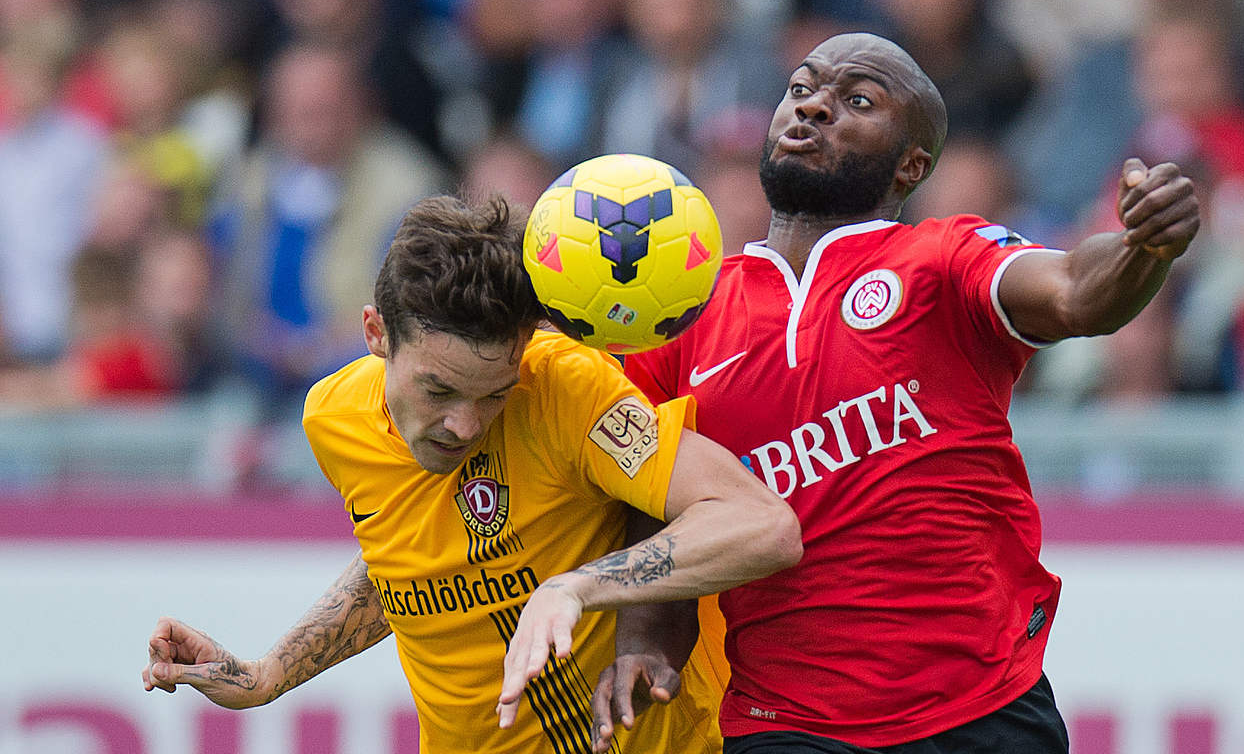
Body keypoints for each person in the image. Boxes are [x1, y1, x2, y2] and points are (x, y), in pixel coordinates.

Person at [593, 32, 1200, 754]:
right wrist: (647, 638)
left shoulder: (941, 259)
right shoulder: (685, 316)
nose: (814, 107)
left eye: (856, 101)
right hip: (786, 721)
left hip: (979, 706)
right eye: (801, 88)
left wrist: (1141, 249)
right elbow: (652, 495)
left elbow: (1073, 292)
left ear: (911, 163)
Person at [141, 194, 803, 754]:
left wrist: (578, 587)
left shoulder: (562, 386)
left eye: (492, 394)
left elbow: (761, 525)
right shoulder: (332, 418)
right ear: (376, 333)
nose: (464, 423)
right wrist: (267, 675)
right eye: (438, 390)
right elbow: (408, 561)